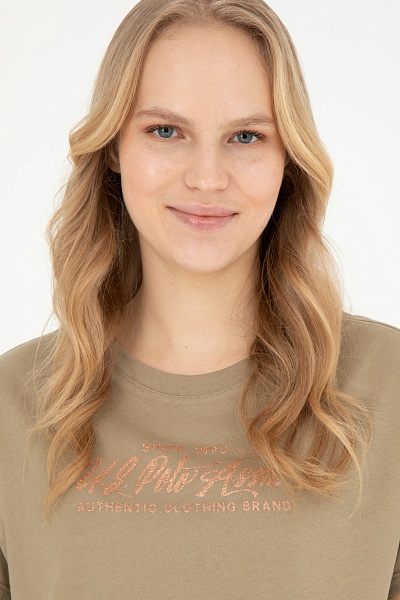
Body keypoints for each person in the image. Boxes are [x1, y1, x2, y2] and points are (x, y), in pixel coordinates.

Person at [0, 0, 399, 598]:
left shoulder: (387, 387)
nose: (207, 178)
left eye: (246, 136)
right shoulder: (12, 405)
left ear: (287, 159)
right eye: (166, 131)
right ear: (114, 148)